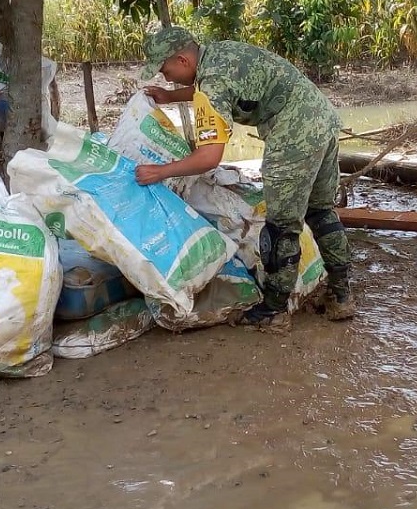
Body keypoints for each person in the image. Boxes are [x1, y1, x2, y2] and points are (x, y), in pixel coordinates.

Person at [136, 26, 355, 331]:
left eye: (165, 69)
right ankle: (341, 295)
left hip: (294, 134)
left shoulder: (211, 81)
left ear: (183, 60)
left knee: (280, 226)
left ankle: (274, 311)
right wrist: (171, 96)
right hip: (321, 119)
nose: (165, 76)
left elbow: (209, 157)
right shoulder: (218, 54)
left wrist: (160, 171)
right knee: (320, 211)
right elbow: (214, 90)